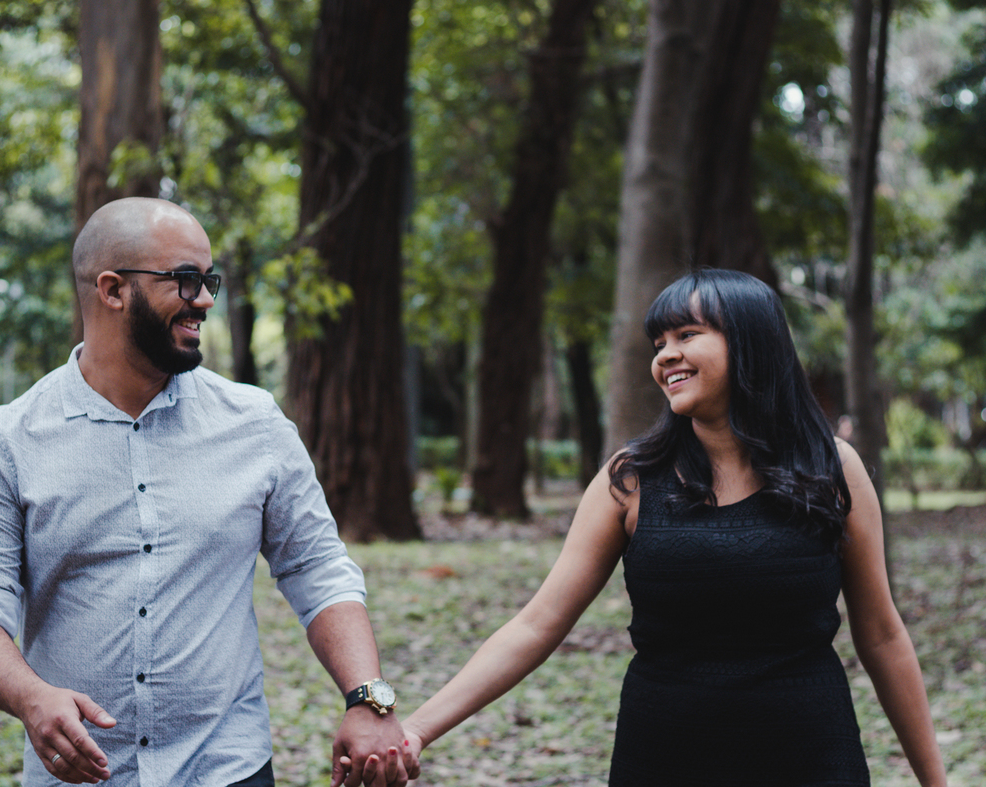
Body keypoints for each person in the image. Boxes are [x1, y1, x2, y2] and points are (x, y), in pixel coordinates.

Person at [387, 269, 947, 786]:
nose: (665, 357)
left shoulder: (834, 468)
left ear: (751, 342)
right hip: (663, 759)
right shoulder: (631, 481)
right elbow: (537, 624)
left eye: (686, 335)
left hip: (811, 758)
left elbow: (881, 635)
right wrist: (417, 728)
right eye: (659, 344)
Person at [0, 197, 410, 787]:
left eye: (208, 279)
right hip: (80, 777)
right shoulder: (6, 440)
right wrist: (31, 697)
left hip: (228, 769)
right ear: (112, 290)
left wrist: (369, 699)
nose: (207, 300)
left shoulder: (254, 422)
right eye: (187, 281)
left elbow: (319, 568)